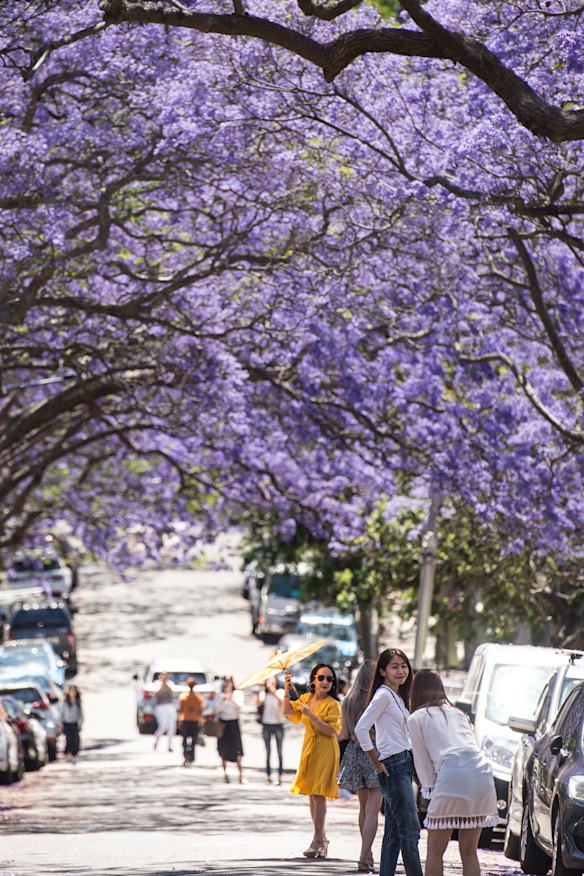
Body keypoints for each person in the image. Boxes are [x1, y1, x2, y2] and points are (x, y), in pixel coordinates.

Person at [408, 669, 498, 876]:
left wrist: (430, 790)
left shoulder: (416, 718)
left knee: (435, 851)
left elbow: (423, 765)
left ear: (416, 691)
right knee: (469, 851)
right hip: (482, 773)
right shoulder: (459, 713)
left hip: (452, 773)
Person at [354, 648, 423, 876]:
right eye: (394, 667)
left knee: (394, 833)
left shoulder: (397, 696)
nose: (400, 671)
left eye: (403, 666)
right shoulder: (383, 695)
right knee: (411, 830)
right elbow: (361, 729)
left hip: (404, 763)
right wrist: (376, 763)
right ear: (383, 671)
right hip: (393, 764)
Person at [283, 663, 342, 860]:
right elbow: (289, 713)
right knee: (311, 795)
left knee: (319, 795)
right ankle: (321, 838)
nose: (325, 682)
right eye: (321, 678)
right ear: (313, 680)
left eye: (329, 679)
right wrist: (286, 688)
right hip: (310, 747)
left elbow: (333, 731)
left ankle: (318, 839)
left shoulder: (334, 704)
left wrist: (312, 716)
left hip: (326, 749)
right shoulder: (306, 699)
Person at [338, 660, 382, 873]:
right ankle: (364, 857)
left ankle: (368, 854)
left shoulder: (348, 700)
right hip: (375, 752)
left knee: (364, 808)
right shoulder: (378, 699)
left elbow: (344, 735)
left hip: (355, 753)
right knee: (374, 808)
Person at [215, 675, 244, 783]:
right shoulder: (219, 694)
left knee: (238, 751)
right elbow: (217, 709)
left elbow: (239, 706)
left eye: (229, 681)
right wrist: (223, 700)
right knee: (223, 750)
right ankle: (225, 775)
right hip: (223, 723)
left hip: (234, 722)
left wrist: (231, 699)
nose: (227, 683)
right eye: (225, 681)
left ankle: (241, 775)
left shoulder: (238, 694)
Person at [256, 677, 285, 784]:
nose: (270, 682)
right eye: (268, 680)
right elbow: (259, 702)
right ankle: (268, 775)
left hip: (278, 724)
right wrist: (261, 689)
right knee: (268, 751)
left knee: (279, 751)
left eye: (272, 680)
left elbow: (282, 701)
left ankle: (280, 776)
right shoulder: (264, 693)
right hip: (266, 724)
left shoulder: (280, 691)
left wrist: (272, 689)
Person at [177, 676, 204, 767]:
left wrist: (179, 720)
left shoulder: (183, 696)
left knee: (184, 740)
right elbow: (200, 710)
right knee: (193, 740)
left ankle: (186, 756)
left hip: (186, 720)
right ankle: (191, 756)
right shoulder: (198, 697)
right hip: (194, 720)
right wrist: (200, 720)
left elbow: (180, 709)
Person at [153, 671, 176, 751]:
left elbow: (171, 691)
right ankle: (156, 742)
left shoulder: (170, 683)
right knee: (163, 726)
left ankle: (169, 745)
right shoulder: (157, 683)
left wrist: (166, 684)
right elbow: (156, 693)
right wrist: (162, 684)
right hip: (160, 706)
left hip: (169, 706)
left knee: (171, 726)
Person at [61, 683, 83, 764]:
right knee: (69, 739)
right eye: (71, 691)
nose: (73, 693)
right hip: (67, 723)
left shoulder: (77, 702)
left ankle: (74, 755)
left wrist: (81, 722)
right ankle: (68, 754)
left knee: (75, 740)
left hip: (75, 723)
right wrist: (61, 723)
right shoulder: (65, 702)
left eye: (74, 691)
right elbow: (61, 713)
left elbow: (80, 713)